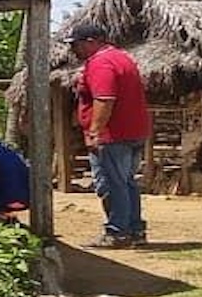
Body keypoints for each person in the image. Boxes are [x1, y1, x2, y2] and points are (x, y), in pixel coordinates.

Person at [64, 22, 151, 248]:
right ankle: (134, 230)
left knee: (112, 184)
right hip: (133, 131)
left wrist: (94, 131)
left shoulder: (101, 63)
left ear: (92, 42)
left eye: (77, 45)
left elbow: (105, 98)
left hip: (113, 134)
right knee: (127, 182)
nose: (74, 50)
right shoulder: (122, 58)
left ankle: (118, 231)